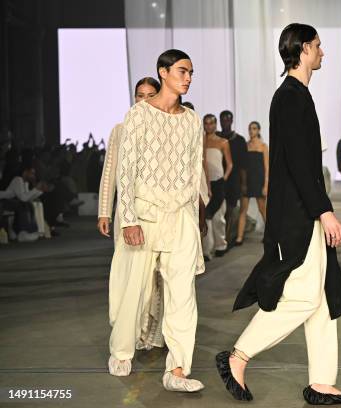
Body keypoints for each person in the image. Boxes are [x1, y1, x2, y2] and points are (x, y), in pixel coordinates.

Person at [216, 23, 341, 406]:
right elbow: (299, 164)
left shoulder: (296, 95)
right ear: (302, 49)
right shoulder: (291, 97)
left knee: (321, 297)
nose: (323, 52)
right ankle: (238, 355)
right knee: (301, 297)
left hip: (302, 212)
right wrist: (325, 211)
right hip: (297, 215)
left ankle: (321, 382)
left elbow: (302, 164)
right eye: (318, 46)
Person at [107, 49, 207, 392]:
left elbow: (194, 177)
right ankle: (121, 350)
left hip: (180, 217)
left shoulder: (193, 121)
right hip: (145, 213)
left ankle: (177, 370)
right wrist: (128, 219)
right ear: (163, 72)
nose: (188, 77)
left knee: (183, 296)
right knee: (133, 289)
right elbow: (126, 171)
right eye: (182, 71)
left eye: (191, 72)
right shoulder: (137, 115)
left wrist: (194, 224)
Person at [97, 76, 165, 351]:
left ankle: (150, 332)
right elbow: (109, 173)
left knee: (154, 277)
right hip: (126, 214)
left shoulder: (166, 128)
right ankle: (128, 327)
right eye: (140, 95)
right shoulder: (121, 129)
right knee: (126, 274)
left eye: (150, 95)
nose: (145, 100)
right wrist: (104, 212)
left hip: (157, 213)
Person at [203, 113, 232, 259]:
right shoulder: (200, 141)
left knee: (219, 216)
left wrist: (224, 179)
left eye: (211, 123)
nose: (209, 126)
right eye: (206, 123)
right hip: (204, 183)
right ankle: (207, 250)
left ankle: (221, 245)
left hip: (219, 182)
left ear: (215, 125)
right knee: (206, 216)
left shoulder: (223, 142)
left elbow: (230, 163)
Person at [218, 110, 248, 249]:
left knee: (230, 209)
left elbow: (243, 164)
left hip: (234, 179)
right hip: (217, 178)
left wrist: (244, 183)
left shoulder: (240, 140)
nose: (225, 122)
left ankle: (227, 239)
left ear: (231, 121)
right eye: (223, 119)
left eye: (227, 119)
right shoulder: (215, 137)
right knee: (218, 210)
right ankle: (219, 239)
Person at [236, 121, 269, 245]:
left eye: (254, 128)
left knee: (262, 210)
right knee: (243, 209)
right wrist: (243, 183)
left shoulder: (263, 146)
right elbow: (243, 166)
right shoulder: (245, 145)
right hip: (247, 181)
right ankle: (239, 237)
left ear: (259, 130)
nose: (251, 131)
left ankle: (270, 235)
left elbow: (267, 168)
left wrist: (266, 185)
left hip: (259, 181)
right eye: (250, 128)